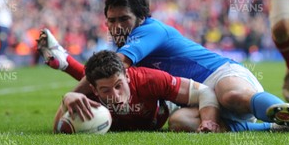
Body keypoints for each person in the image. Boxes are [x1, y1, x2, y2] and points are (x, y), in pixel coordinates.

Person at [40, 0, 289, 134]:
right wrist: (65, 64)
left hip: (220, 75)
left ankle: (284, 110)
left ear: (141, 18)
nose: (117, 27)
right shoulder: (130, 42)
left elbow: (114, 69)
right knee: (180, 123)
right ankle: (271, 126)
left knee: (230, 95)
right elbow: (109, 79)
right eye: (111, 21)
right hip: (200, 99)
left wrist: (68, 92)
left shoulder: (150, 30)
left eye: (124, 19)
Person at [54, 50, 224, 132]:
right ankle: (64, 61)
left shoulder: (150, 79)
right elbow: (59, 130)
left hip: (166, 109)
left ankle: (65, 62)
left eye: (118, 86)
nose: (115, 96)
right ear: (94, 90)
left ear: (127, 76)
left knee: (179, 121)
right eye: (105, 90)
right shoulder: (88, 98)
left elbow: (205, 92)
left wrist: (209, 122)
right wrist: (66, 99)